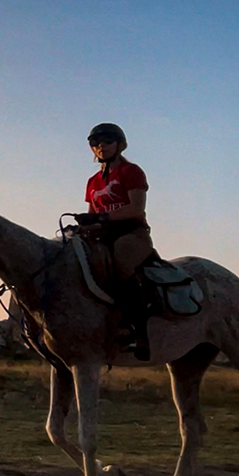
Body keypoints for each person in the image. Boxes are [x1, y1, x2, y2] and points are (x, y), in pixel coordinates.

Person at [73, 123, 155, 360]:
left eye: (107, 141)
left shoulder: (131, 172)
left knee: (120, 261)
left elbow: (136, 209)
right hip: (103, 235)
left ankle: (138, 331)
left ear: (119, 145)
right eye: (96, 143)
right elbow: (92, 212)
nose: (101, 146)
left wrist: (102, 216)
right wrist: (85, 224)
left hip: (132, 234)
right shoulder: (92, 181)